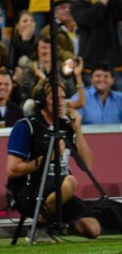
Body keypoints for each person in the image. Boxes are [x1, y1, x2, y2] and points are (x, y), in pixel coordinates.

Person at [6, 79, 101, 240]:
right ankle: (39, 229)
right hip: (29, 191)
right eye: (55, 98)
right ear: (42, 101)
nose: (61, 103)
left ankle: (54, 225)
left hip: (61, 191)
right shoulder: (26, 126)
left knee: (92, 229)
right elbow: (12, 170)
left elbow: (87, 165)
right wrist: (48, 158)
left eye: (63, 98)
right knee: (70, 181)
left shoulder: (66, 127)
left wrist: (78, 129)